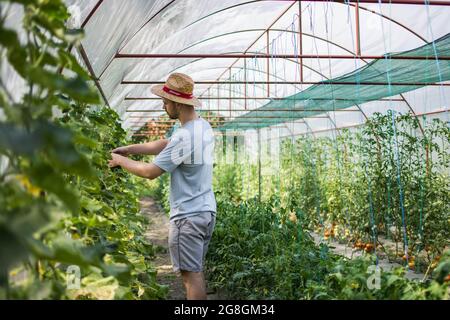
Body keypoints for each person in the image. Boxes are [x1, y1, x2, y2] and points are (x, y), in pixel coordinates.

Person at [108, 73, 216, 300]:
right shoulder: (202, 127)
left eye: (165, 102)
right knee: (195, 272)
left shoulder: (184, 136)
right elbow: (166, 144)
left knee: (190, 277)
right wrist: (129, 149)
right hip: (205, 211)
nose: (163, 105)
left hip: (187, 215)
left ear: (177, 103)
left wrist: (120, 161)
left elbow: (150, 172)